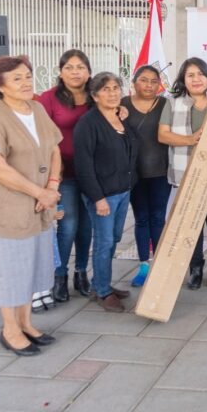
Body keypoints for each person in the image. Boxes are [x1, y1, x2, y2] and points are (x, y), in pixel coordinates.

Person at [0, 56, 63, 356]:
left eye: (28, 76)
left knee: (33, 265)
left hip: (40, 206)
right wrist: (38, 192)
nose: (26, 82)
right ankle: (9, 329)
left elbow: (54, 148)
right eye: (17, 78)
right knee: (12, 269)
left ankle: (26, 322)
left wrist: (51, 186)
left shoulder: (36, 108)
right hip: (10, 206)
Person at [159, 58, 207, 289]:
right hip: (186, 172)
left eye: (201, 74)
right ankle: (195, 267)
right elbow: (163, 135)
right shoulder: (172, 103)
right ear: (183, 79)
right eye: (190, 75)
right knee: (191, 223)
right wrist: (191, 139)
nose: (196, 79)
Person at [74, 73, 139, 312]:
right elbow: (83, 165)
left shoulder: (119, 117)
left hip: (122, 190)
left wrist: (124, 114)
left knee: (114, 239)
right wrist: (98, 198)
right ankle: (102, 291)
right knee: (104, 242)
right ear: (94, 95)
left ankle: (101, 283)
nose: (112, 93)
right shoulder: (88, 124)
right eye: (105, 89)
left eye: (115, 88)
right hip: (103, 195)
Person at [37, 49, 93, 306]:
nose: (75, 72)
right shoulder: (48, 99)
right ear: (60, 72)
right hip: (64, 173)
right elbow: (43, 138)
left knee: (87, 226)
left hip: (92, 173)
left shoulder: (96, 95)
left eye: (80, 67)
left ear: (88, 71)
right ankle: (59, 276)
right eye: (69, 67)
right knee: (68, 225)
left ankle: (82, 273)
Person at [121, 65, 169, 287]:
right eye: (144, 80)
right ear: (134, 82)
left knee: (158, 218)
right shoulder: (122, 104)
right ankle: (143, 264)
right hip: (134, 173)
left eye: (153, 81)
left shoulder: (166, 104)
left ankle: (160, 266)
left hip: (161, 171)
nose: (149, 85)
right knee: (141, 219)